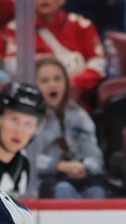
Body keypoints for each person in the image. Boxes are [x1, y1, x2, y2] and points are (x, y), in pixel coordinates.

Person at [4, 0, 107, 107]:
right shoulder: (17, 29)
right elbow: (12, 66)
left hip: (75, 99)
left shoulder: (82, 26)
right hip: (32, 102)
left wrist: (72, 84)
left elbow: (98, 64)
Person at [30, 56, 107, 199]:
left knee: (97, 191)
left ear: (66, 82)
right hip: (42, 181)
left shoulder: (78, 115)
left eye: (57, 79)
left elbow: (95, 156)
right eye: (45, 81)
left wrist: (85, 167)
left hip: (77, 178)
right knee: (63, 189)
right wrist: (58, 165)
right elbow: (27, 158)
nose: (52, 85)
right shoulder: (29, 119)